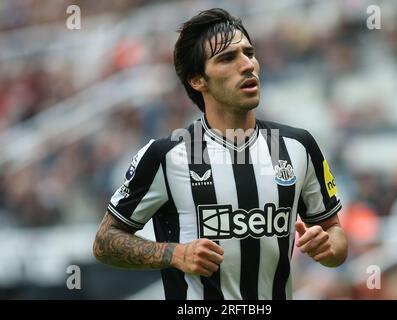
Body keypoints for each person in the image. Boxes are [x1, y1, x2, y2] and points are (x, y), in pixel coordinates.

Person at [93, 8, 348, 300]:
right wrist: (173, 253)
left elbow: (334, 235)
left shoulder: (297, 146)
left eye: (249, 53)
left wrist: (328, 247)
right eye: (227, 58)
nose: (247, 65)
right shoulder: (165, 155)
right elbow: (105, 242)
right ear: (197, 80)